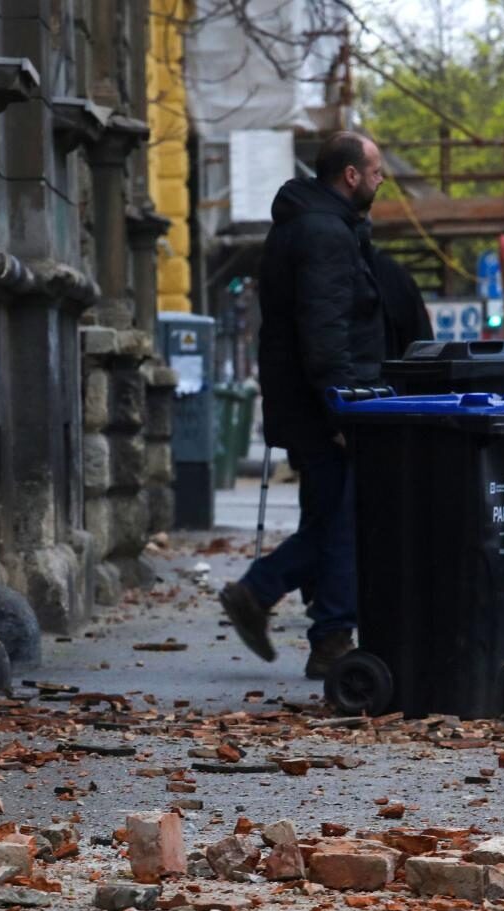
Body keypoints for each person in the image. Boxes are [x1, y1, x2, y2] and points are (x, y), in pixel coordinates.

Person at [219, 131, 389, 679]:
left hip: (312, 402)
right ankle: (323, 634)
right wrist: (344, 410)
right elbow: (325, 330)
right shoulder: (324, 234)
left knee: (332, 516)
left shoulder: (313, 225)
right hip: (330, 407)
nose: (382, 179)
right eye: (377, 170)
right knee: (346, 522)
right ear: (351, 175)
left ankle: (301, 617)